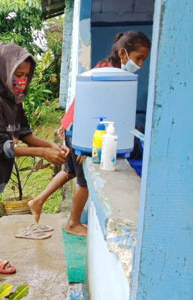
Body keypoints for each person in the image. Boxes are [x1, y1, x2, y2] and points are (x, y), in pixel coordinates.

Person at [0, 43, 69, 274]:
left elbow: (25, 135)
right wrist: (44, 153)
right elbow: (1, 146)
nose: (23, 81)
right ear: (3, 71)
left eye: (26, 76)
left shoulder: (14, 101)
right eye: (18, 75)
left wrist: (53, 146)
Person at [28, 31, 151, 237]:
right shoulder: (107, 74)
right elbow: (92, 111)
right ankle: (73, 223)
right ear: (123, 53)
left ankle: (37, 201)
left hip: (74, 127)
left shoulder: (107, 69)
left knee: (70, 170)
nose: (140, 64)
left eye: (143, 60)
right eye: (138, 58)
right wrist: (84, 145)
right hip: (79, 130)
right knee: (84, 182)